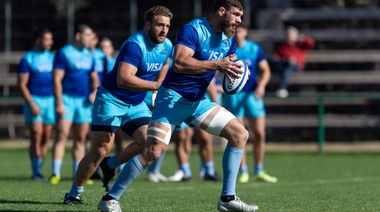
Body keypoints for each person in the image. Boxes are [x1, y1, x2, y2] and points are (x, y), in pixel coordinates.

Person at [97, 1, 259, 211]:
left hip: (197, 102)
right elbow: (181, 63)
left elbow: (229, 62)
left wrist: (234, 71)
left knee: (240, 135)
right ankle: (110, 198)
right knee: (153, 151)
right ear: (221, 11)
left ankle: (227, 199)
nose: (239, 20)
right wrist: (218, 64)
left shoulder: (228, 37)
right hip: (172, 99)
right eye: (236, 15)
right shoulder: (193, 30)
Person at [63, 6, 173, 205]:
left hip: (136, 102)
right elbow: (124, 79)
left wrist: (157, 89)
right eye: (159, 25)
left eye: (167, 26)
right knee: (100, 149)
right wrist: (156, 85)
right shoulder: (135, 45)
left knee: (147, 140)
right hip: (111, 98)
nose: (164, 30)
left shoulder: (167, 46)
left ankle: (111, 165)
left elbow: (165, 63)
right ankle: (74, 193)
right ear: (148, 24)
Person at [224, 23, 277, 184]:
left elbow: (266, 70)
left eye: (240, 31)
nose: (238, 34)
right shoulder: (227, 48)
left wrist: (261, 86)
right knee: (239, 134)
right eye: (235, 31)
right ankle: (243, 171)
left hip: (252, 95)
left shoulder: (254, 49)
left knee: (259, 133)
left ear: (245, 32)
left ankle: (259, 169)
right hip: (234, 96)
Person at [50, 24, 99, 185]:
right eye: (87, 35)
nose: (90, 39)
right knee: (62, 135)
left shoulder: (89, 54)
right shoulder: (64, 53)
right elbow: (57, 79)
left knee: (81, 138)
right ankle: (55, 173)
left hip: (83, 102)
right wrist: (59, 102)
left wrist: (94, 92)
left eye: (91, 36)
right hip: (66, 99)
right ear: (78, 36)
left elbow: (94, 78)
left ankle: (76, 173)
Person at [17, 27, 55, 181]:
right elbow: (22, 85)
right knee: (37, 135)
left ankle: (39, 169)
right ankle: (36, 172)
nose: (51, 42)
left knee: (46, 136)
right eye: (47, 39)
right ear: (38, 40)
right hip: (34, 99)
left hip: (50, 100)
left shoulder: (52, 57)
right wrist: (31, 103)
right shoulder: (28, 58)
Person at [269, 26, 315, 98]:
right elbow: (277, 56)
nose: (289, 37)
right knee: (268, 60)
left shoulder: (300, 45)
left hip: (295, 66)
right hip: (283, 63)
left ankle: (283, 88)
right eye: (287, 35)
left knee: (287, 69)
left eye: (290, 35)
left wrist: (301, 38)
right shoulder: (284, 46)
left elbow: (311, 43)